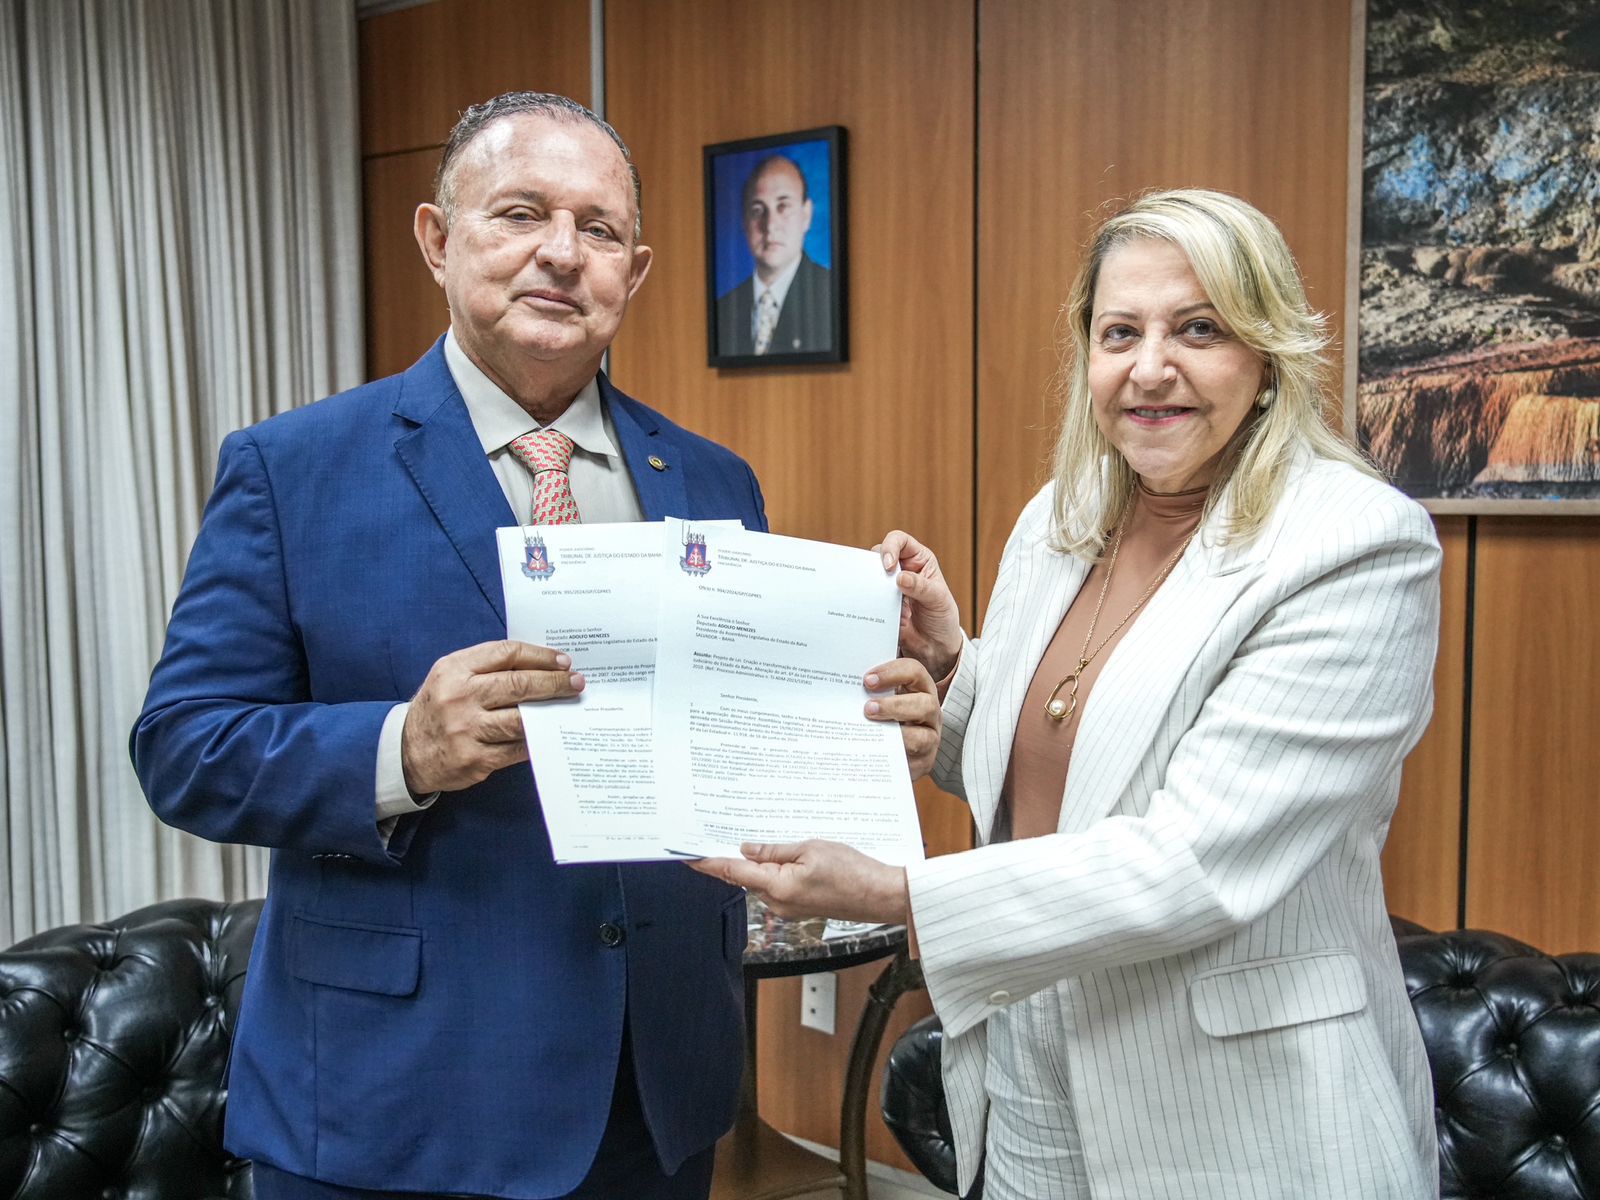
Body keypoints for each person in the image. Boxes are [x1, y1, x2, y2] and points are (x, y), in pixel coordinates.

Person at [131, 91, 936, 1200]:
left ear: (637, 272)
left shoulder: (710, 481)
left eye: (598, 230)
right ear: (437, 238)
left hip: (653, 1091)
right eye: (518, 214)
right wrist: (401, 749)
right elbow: (183, 746)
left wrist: (842, 734)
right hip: (395, 1100)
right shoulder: (293, 468)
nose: (561, 254)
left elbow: (726, 731)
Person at [694, 189, 1444, 1199]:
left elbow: (1194, 863)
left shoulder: (1352, 545)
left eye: (1198, 329)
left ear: (1264, 354)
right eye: (1118, 332)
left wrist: (890, 894)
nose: (1148, 367)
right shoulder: (1060, 518)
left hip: (1235, 1100)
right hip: (1021, 1048)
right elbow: (1049, 771)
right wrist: (951, 676)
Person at [714, 153, 832, 356]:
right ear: (744, 221)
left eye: (783, 206)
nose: (770, 226)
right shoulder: (724, 311)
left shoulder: (830, 293)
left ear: (806, 214)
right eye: (758, 210)